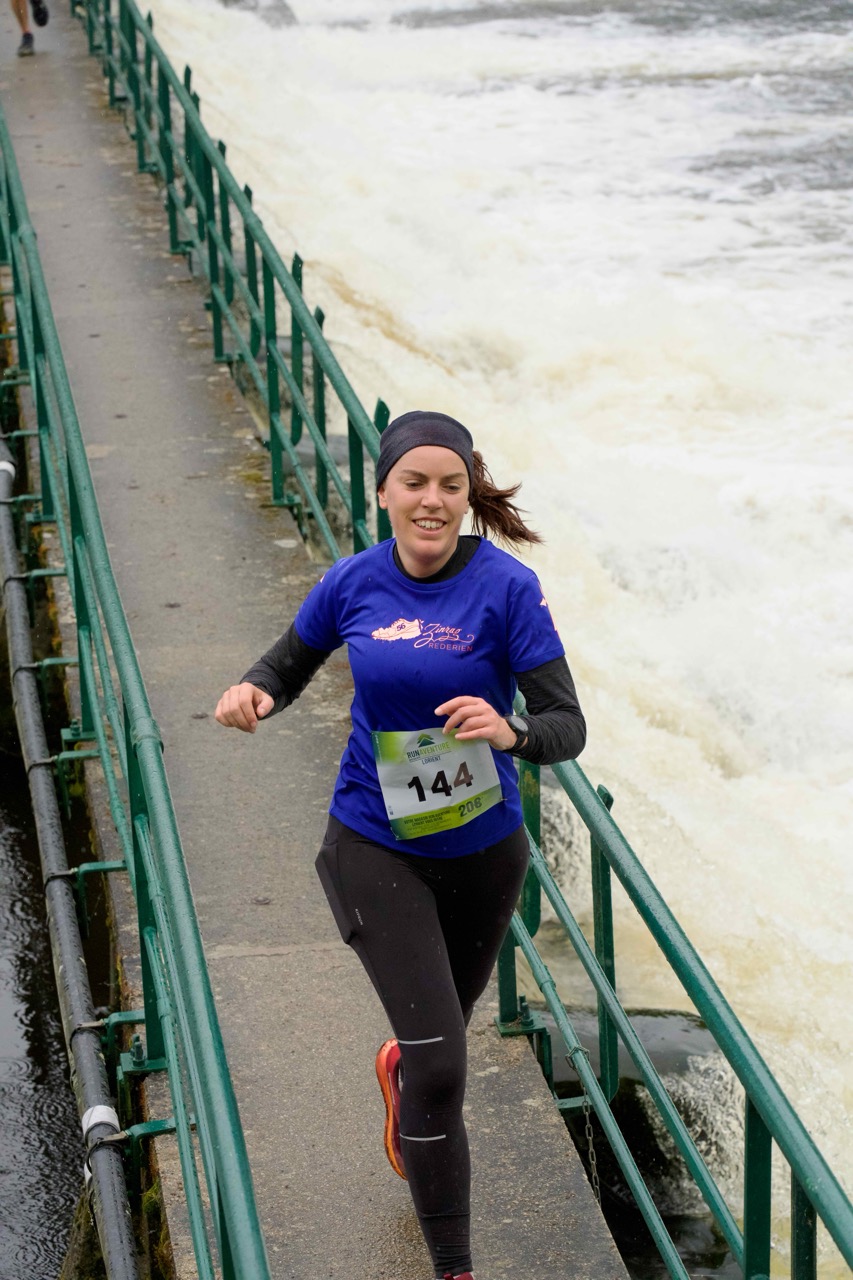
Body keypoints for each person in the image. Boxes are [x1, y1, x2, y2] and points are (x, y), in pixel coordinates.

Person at [215, 410, 586, 1280]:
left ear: (467, 494)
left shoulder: (507, 589)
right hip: (374, 847)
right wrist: (252, 693)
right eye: (413, 483)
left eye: (450, 485)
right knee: (445, 1067)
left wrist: (509, 730)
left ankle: (399, 1070)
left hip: (485, 854)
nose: (432, 500)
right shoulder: (352, 583)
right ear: (382, 490)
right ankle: (454, 1267)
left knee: (429, 1052)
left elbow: (566, 725)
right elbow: (284, 665)